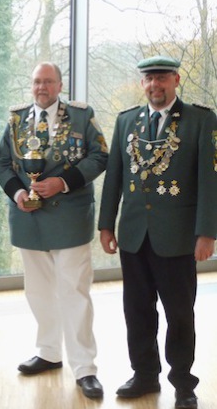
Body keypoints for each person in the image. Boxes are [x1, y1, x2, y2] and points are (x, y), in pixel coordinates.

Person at [98, 55, 217, 409]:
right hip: (134, 235)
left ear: (176, 80)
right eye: (149, 79)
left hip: (178, 237)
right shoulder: (126, 122)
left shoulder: (200, 120)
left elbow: (210, 182)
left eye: (162, 78)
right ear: (142, 84)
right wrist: (106, 224)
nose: (155, 85)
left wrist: (207, 232)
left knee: (179, 314)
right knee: (137, 310)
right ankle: (145, 375)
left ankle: (183, 383)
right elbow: (115, 177)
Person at [0, 62, 108, 399]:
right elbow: (2, 162)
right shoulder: (17, 120)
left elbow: (100, 155)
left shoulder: (81, 115)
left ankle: (85, 367)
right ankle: (48, 352)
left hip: (70, 216)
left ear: (60, 85)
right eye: (36, 82)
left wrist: (63, 182)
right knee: (39, 291)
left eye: (48, 81)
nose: (41, 87)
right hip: (29, 218)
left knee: (74, 291)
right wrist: (17, 191)